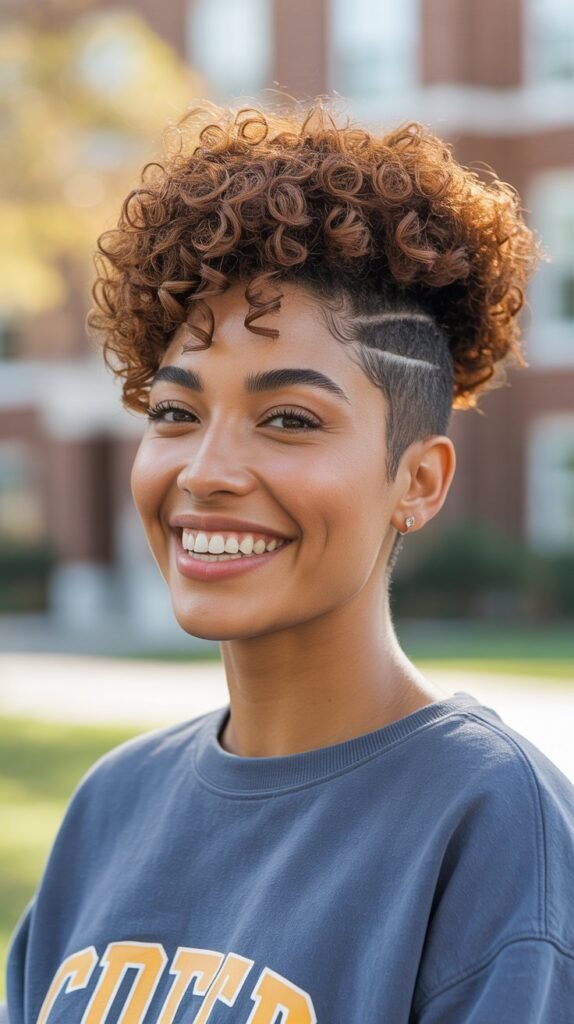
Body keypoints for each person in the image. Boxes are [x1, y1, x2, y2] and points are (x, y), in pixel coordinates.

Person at [4, 99, 574, 1023]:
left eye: (289, 420)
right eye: (175, 413)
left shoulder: (488, 828)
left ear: (418, 483)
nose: (207, 470)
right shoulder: (111, 807)